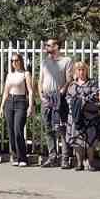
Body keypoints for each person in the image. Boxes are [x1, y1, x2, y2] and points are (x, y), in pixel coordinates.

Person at [38, 39, 72, 168]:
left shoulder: (66, 61)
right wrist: (41, 96)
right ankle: (52, 157)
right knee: (48, 128)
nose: (46, 47)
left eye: (49, 45)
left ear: (56, 46)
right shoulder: (44, 62)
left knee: (61, 128)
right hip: (46, 98)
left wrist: (63, 90)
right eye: (46, 45)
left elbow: (69, 79)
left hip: (59, 98)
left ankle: (65, 158)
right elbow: (40, 80)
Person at [65, 60, 100, 171]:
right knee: (77, 141)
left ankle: (90, 163)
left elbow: (95, 95)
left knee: (90, 140)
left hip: (89, 115)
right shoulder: (72, 84)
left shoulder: (93, 83)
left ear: (86, 70)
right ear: (76, 72)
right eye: (79, 70)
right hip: (75, 116)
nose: (81, 72)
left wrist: (82, 101)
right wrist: (75, 103)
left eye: (83, 70)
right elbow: (68, 98)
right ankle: (79, 163)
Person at [1, 53, 33, 168]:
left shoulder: (26, 74)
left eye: (16, 60)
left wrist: (30, 105)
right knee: (11, 130)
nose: (14, 63)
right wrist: (2, 106)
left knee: (18, 129)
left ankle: (22, 157)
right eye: (12, 61)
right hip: (10, 101)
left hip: (20, 101)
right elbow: (5, 91)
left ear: (21, 61)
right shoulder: (9, 75)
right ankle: (15, 156)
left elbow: (30, 91)